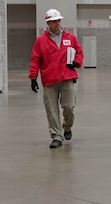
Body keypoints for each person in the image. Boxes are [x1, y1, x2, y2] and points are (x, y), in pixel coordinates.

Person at [29, 9, 83, 149]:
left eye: (59, 20)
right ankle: (56, 136)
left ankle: (67, 127)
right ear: (48, 23)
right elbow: (35, 59)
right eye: (55, 21)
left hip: (67, 78)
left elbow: (79, 51)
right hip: (49, 80)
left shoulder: (70, 37)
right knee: (52, 110)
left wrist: (76, 62)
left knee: (68, 107)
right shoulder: (41, 41)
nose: (58, 23)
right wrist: (33, 77)